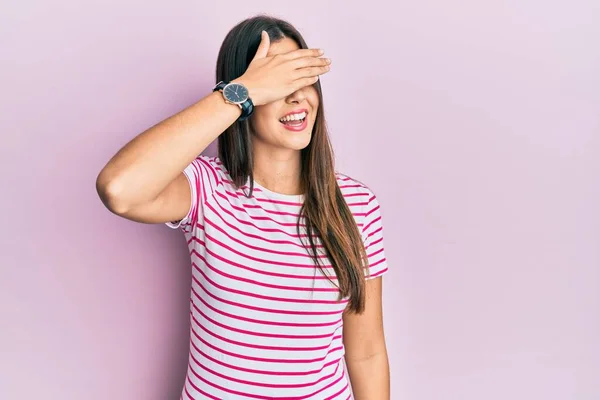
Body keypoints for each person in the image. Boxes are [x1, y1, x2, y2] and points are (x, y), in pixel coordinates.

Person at [96, 14, 390, 400]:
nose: (297, 96)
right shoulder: (205, 189)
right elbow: (119, 189)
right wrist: (241, 93)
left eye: (302, 79)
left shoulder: (357, 205)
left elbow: (366, 352)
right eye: (277, 83)